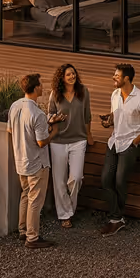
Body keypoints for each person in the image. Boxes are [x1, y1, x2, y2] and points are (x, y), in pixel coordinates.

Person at [100, 63, 140, 236]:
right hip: (114, 141)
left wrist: (134, 142)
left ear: (127, 79)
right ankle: (117, 218)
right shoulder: (115, 94)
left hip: (131, 144)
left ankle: (116, 218)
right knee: (105, 179)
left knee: (119, 180)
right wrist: (109, 122)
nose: (113, 78)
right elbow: (116, 117)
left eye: (117, 75)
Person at [7, 72, 59, 248]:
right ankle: (32, 237)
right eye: (41, 84)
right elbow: (41, 142)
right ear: (36, 88)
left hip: (20, 160)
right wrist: (54, 132)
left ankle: (22, 230)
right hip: (37, 163)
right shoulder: (37, 113)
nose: (42, 87)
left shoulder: (14, 106)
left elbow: (10, 130)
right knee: (35, 200)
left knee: (25, 195)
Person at [46, 63, 91, 229]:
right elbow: (49, 115)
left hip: (79, 140)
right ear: (62, 78)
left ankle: (69, 208)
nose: (72, 76)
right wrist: (54, 119)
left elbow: (87, 115)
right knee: (59, 181)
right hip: (58, 141)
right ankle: (65, 215)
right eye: (68, 75)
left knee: (76, 178)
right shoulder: (55, 94)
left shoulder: (83, 92)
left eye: (73, 73)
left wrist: (89, 135)